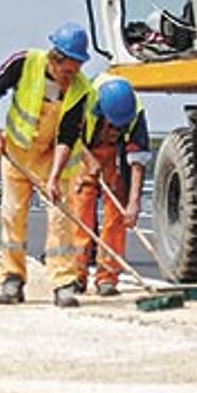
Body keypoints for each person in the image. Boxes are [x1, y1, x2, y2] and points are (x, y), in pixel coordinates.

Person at [0, 22, 94, 308]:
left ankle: (63, 283)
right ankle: (12, 279)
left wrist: (54, 177)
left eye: (76, 70)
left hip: (51, 159)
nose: (70, 77)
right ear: (54, 60)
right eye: (67, 71)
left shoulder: (81, 90)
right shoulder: (24, 63)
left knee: (60, 217)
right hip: (17, 154)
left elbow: (67, 136)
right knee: (13, 215)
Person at [67, 75, 151, 296]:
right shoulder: (83, 99)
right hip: (83, 152)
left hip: (116, 156)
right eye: (112, 125)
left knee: (117, 216)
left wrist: (133, 203)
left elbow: (137, 161)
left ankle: (107, 277)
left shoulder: (135, 111)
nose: (116, 129)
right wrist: (90, 160)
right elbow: (70, 137)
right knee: (80, 212)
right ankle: (77, 275)